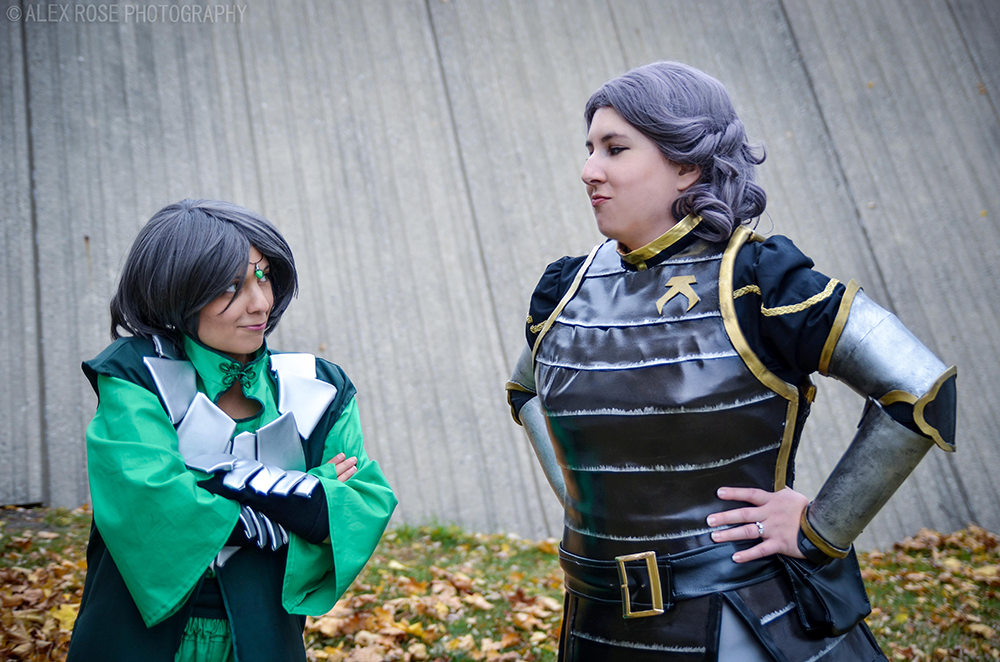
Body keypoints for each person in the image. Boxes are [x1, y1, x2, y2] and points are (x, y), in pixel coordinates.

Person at [505, 62, 956, 661]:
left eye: (615, 149)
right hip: (596, 626)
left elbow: (920, 386)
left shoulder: (759, 280)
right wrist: (584, 499)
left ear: (686, 164)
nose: (590, 170)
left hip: (745, 621)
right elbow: (526, 390)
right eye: (589, 149)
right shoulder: (567, 289)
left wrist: (822, 527)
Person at [67, 200, 397, 662]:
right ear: (176, 290)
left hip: (267, 642)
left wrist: (208, 488)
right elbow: (154, 506)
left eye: (264, 276)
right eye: (230, 286)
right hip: (134, 640)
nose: (260, 302)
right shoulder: (135, 375)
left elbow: (360, 509)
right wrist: (299, 497)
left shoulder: (322, 388)